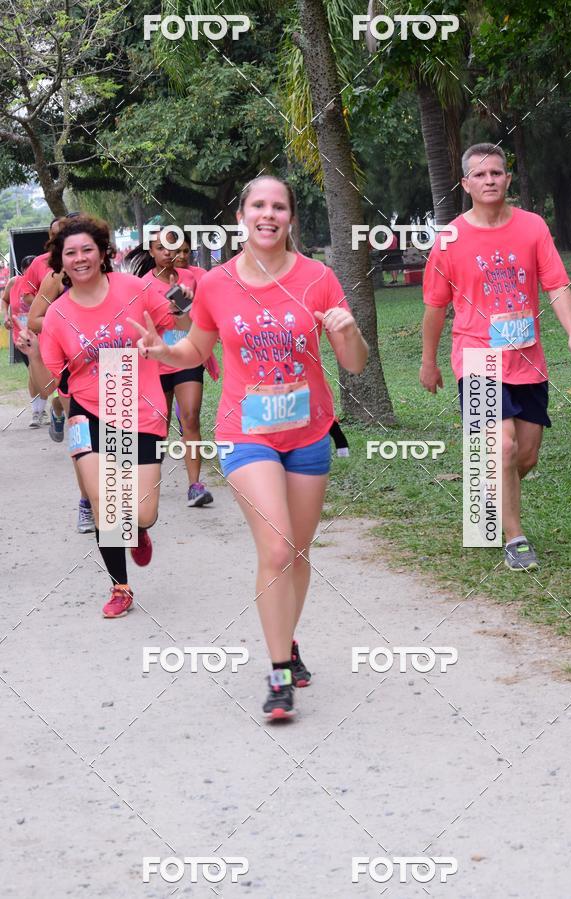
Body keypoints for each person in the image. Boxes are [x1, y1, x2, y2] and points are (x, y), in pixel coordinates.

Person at [131, 175, 368, 720]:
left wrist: (348, 330)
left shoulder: (318, 278)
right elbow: (195, 345)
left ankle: (287, 639)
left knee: (300, 554)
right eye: (258, 205)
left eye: (278, 206)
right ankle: (278, 673)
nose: (268, 214)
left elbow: (352, 364)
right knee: (278, 550)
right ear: (242, 217)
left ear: (290, 218)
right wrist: (160, 351)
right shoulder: (216, 284)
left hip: (308, 433)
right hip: (245, 432)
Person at [420, 142, 571, 571]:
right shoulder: (450, 239)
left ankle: (488, 491)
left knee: (525, 455)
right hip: (476, 357)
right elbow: (435, 307)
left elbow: (556, 284)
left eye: (496, 172)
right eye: (480, 175)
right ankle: (514, 538)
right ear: (466, 184)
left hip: (528, 358)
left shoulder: (532, 227)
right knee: (504, 445)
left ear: (507, 179)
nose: (489, 180)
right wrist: (429, 361)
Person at [16, 215, 178, 617]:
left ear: (103, 252)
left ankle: (138, 530)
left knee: (141, 511)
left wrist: (163, 341)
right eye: (70, 252)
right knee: (106, 501)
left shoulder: (136, 288)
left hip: (139, 407)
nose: (80, 258)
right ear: (61, 261)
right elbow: (49, 386)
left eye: (87, 249)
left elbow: (172, 324)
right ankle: (120, 586)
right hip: (87, 411)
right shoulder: (56, 315)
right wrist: (34, 352)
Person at [126, 230, 215, 508]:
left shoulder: (193, 278)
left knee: (190, 417)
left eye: (173, 247)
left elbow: (201, 321)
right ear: (151, 252)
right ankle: (150, 481)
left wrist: (185, 310)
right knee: (159, 427)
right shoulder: (140, 285)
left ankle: (195, 485)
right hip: (156, 364)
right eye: (161, 247)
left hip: (188, 357)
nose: (169, 252)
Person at [27, 222, 94, 534]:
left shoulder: (116, 282)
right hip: (71, 368)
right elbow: (34, 318)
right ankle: (87, 503)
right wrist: (68, 324)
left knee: (118, 441)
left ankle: (120, 503)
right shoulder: (55, 278)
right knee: (83, 440)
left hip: (111, 367)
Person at [1, 256, 45, 426]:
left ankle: (48, 410)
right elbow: (5, 300)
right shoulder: (13, 283)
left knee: (45, 371)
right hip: (22, 336)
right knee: (33, 371)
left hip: (43, 334)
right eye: (27, 271)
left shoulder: (45, 284)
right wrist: (6, 315)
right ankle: (37, 412)